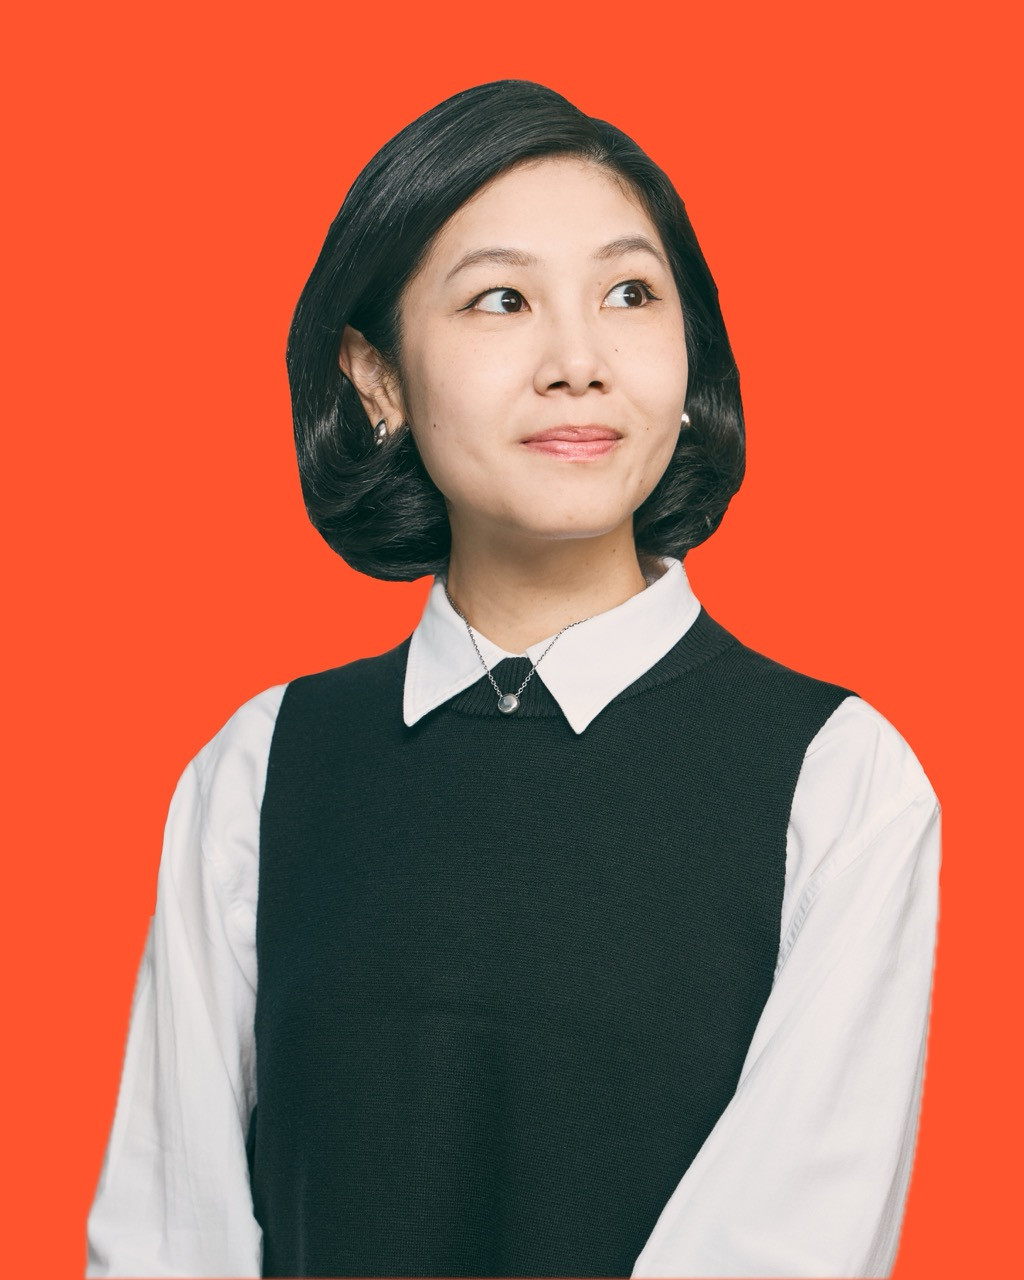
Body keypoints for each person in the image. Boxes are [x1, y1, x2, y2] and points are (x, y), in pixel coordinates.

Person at [85, 79, 941, 1279]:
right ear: (377, 378)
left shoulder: (837, 777)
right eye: (502, 299)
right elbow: (169, 1236)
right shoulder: (261, 767)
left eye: (630, 294)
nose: (579, 362)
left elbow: (782, 1246)